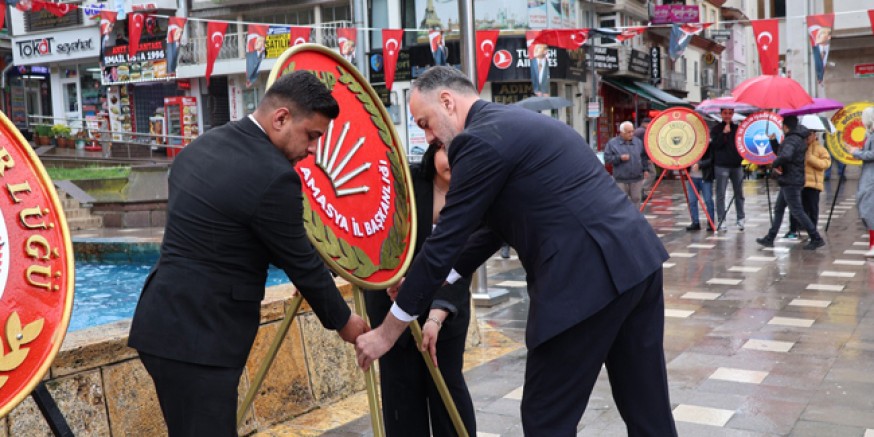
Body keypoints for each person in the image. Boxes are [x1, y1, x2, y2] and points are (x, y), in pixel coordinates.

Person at [354, 66, 677, 436]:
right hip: (637, 261)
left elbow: (446, 239)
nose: (427, 136)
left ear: (447, 101)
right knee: (647, 409)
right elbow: (492, 230)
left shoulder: (474, 141)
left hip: (582, 279)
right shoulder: (517, 123)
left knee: (546, 418)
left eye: (425, 122)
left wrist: (386, 332)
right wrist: (439, 278)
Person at [128, 71, 369, 436]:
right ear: (281, 118)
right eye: (312, 135)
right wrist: (346, 323)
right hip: (202, 339)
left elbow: (233, 234)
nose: (313, 149)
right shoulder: (275, 176)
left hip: (160, 323)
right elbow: (300, 262)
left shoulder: (202, 146)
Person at [364, 143, 477, 436]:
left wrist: (436, 316)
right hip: (392, 301)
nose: (452, 161)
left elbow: (464, 262)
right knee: (400, 389)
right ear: (432, 152)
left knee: (446, 385)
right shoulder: (405, 184)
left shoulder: (477, 193)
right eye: (445, 152)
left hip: (446, 306)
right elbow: (372, 232)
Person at [755, 116, 826, 250]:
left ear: (786, 127)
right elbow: (785, 152)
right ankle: (770, 237)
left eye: (782, 127)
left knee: (797, 211)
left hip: (790, 181)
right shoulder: (797, 139)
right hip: (791, 179)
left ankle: (816, 237)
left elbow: (786, 156)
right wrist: (774, 142)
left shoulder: (791, 139)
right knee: (779, 209)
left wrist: (774, 164)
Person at [786, 131, 831, 239]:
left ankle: (813, 231)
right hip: (799, 183)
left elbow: (825, 164)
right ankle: (793, 230)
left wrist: (810, 158)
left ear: (815, 136)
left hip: (813, 184)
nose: (807, 137)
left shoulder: (820, 149)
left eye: (810, 134)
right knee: (796, 208)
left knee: (812, 208)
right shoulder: (800, 148)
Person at [711, 107, 745, 231]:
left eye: (730, 113)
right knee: (721, 193)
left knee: (739, 193)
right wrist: (723, 134)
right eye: (725, 113)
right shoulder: (716, 129)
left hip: (736, 165)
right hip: (721, 165)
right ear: (721, 114)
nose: (727, 116)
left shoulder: (738, 129)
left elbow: (742, 144)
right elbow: (714, 145)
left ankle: (741, 218)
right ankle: (721, 219)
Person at [847, 107, 874, 257]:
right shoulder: (870, 134)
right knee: (867, 208)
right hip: (868, 176)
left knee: (869, 208)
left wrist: (856, 153)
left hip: (871, 178)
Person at [604, 121, 651, 207]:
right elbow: (607, 159)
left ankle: (636, 218)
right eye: (628, 132)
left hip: (637, 178)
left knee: (636, 199)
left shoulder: (638, 142)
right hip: (621, 178)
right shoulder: (612, 143)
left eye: (632, 131)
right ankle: (623, 219)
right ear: (622, 132)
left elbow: (643, 156)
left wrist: (645, 169)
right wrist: (619, 158)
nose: (631, 134)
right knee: (621, 201)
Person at [686, 143, 715, 231]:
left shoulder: (708, 145)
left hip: (705, 177)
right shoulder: (688, 145)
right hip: (692, 177)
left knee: (708, 200)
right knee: (692, 200)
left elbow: (712, 159)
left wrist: (700, 165)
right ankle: (695, 222)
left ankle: (710, 222)